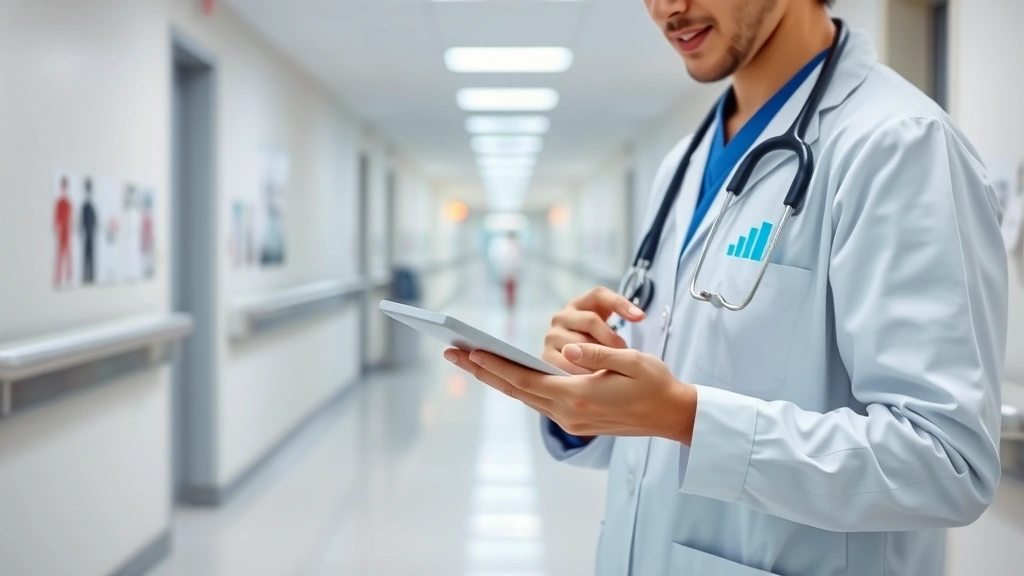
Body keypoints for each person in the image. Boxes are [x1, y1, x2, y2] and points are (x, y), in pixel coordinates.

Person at [445, 1, 1008, 574]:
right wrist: (589, 386)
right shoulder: (681, 166)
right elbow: (655, 439)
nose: (668, 7)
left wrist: (685, 417)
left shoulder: (899, 145)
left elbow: (947, 463)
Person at [488, 231, 523, 309]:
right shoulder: (508, 246)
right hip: (508, 269)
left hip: (512, 269)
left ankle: (511, 300)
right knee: (508, 285)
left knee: (511, 286)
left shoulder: (515, 246)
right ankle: (509, 300)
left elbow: (518, 259)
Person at [53, 176, 73, 288]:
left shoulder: (69, 203)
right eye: (63, 186)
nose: (64, 188)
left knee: (68, 255)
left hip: (67, 232)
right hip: (61, 232)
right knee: (60, 255)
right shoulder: (59, 202)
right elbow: (56, 218)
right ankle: (58, 278)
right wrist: (57, 229)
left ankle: (69, 277)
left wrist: (70, 229)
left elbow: (71, 218)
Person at [80, 178, 98, 285]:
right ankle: (85, 277)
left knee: (91, 256)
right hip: (86, 235)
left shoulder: (92, 207)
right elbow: (82, 221)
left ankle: (91, 277)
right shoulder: (85, 207)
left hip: (91, 235)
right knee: (86, 256)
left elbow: (95, 220)